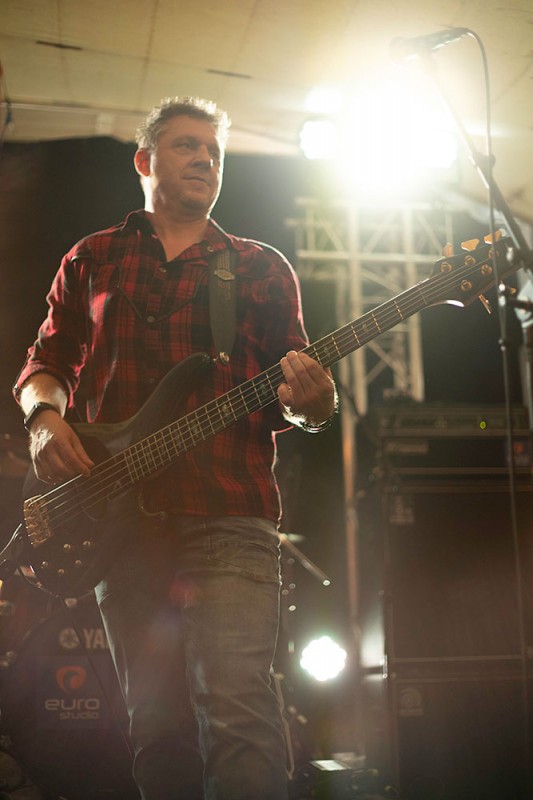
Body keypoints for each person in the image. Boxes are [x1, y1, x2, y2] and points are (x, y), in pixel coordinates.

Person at [13, 96, 337, 800]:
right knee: (155, 727)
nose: (204, 160)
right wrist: (42, 419)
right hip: (121, 526)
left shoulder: (260, 267)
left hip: (230, 513)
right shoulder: (92, 257)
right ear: (144, 160)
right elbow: (48, 360)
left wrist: (315, 405)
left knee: (238, 708)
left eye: (214, 152)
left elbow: (295, 395)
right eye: (187, 145)